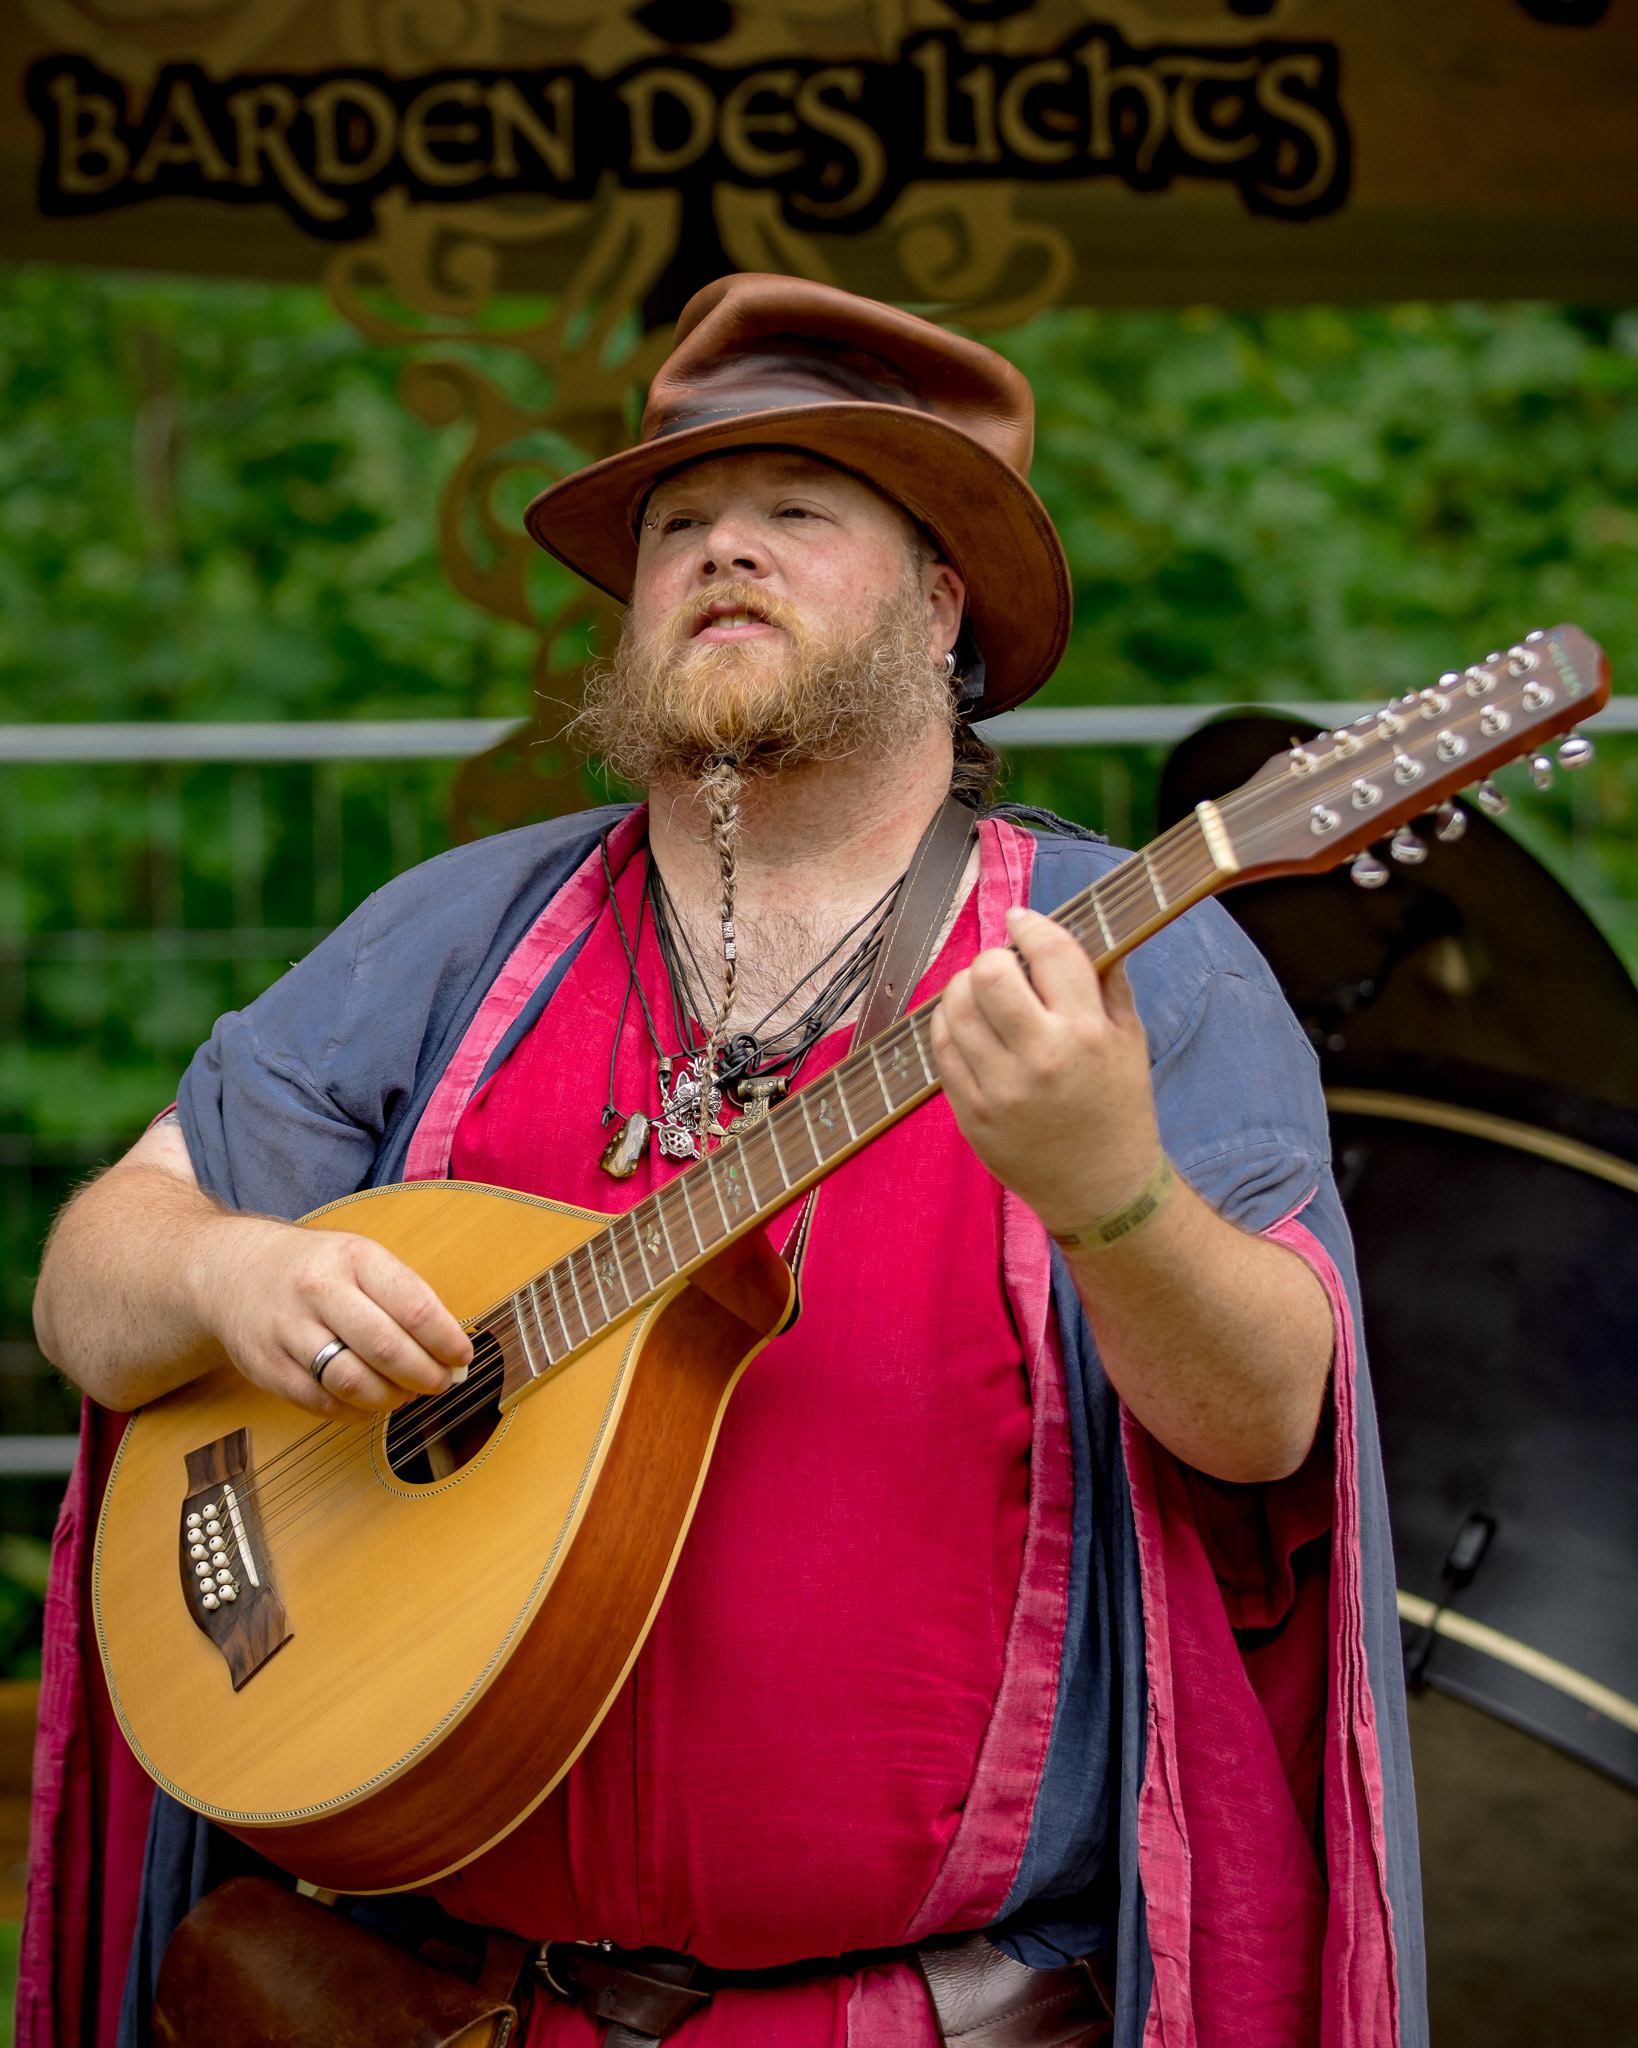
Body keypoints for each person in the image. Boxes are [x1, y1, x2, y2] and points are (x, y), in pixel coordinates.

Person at [24, 277, 1425, 2048]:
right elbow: (95, 1284)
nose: (720, 551)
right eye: (679, 520)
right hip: (442, 2007)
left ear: (941, 606)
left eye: (797, 514)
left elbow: (1267, 1420)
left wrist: (1105, 1191)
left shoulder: (1124, 957)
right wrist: (232, 1273)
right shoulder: (463, 936)